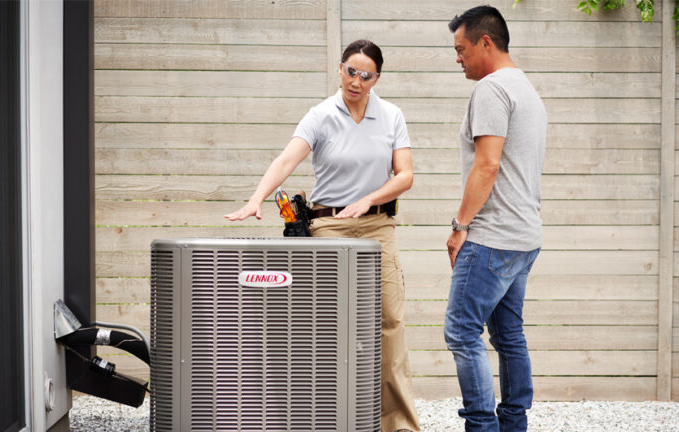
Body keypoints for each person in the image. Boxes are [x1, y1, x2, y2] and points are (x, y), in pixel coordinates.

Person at [224, 39, 420, 432]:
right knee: (322, 327)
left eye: (366, 75)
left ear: (376, 78)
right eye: (351, 71)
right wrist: (255, 198)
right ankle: (321, 416)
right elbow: (286, 159)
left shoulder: (392, 115)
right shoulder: (320, 115)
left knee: (389, 325)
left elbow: (405, 175)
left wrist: (367, 201)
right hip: (328, 227)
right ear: (340, 69)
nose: (356, 81)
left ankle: (398, 425)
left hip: (378, 228)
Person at [443, 6, 547, 432]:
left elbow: (487, 166)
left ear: (486, 42)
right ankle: (513, 424)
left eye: (461, 48)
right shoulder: (527, 89)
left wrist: (459, 225)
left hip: (491, 238)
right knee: (508, 335)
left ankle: (482, 428)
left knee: (461, 333)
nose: (458, 58)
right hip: (524, 237)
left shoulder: (491, 89)